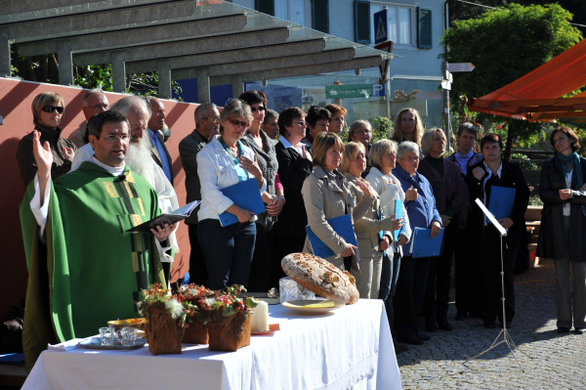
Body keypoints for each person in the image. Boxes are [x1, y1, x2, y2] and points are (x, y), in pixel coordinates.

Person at [20, 110, 172, 370]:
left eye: (124, 136)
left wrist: (163, 239)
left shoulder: (143, 186)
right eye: (111, 136)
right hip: (98, 297)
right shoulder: (72, 187)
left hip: (143, 296)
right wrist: (44, 175)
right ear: (93, 140)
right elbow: (45, 220)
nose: (120, 143)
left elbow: (158, 243)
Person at [196, 99, 272, 290]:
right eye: (234, 121)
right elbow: (209, 191)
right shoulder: (206, 154)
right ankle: (219, 320)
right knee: (219, 281)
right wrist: (237, 211)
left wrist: (260, 176)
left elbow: (256, 190)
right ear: (222, 121)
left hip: (246, 223)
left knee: (241, 282)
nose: (239, 127)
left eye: (244, 123)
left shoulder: (247, 151)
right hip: (216, 223)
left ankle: (238, 319)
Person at [466, 134, 529, 328]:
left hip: (508, 228)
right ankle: (488, 315)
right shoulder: (474, 171)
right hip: (484, 230)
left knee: (506, 273)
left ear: (500, 149)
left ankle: (506, 316)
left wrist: (513, 219)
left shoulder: (513, 170)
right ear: (481, 150)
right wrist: (477, 181)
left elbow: (523, 196)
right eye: (486, 147)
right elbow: (471, 199)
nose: (491, 151)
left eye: (494, 147)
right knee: (487, 272)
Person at [393, 141, 442, 345]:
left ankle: (414, 327)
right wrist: (405, 198)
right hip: (406, 246)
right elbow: (390, 208)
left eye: (417, 158)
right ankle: (404, 330)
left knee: (420, 288)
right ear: (399, 160)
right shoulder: (395, 180)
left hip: (425, 244)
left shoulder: (423, 179)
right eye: (410, 158)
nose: (415, 162)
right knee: (406, 290)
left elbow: (434, 205)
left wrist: (437, 220)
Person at [538, 127, 586, 334]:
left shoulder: (584, 164)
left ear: (571, 140)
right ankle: (564, 322)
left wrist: (573, 194)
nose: (558, 142)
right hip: (557, 223)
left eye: (561, 138)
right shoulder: (549, 166)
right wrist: (562, 196)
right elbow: (544, 194)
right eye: (554, 140)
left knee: (581, 275)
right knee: (561, 275)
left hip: (580, 224)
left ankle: (581, 322)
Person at [419, 129, 467, 332]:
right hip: (428, 226)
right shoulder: (421, 166)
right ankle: (428, 316)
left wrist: (448, 215)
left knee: (445, 271)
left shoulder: (452, 167)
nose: (441, 142)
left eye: (443, 139)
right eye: (437, 139)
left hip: (449, 225)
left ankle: (442, 315)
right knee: (429, 273)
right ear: (428, 142)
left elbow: (461, 194)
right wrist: (437, 216)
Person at [301, 132, 373, 270]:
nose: (339, 156)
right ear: (321, 152)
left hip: (344, 254)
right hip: (324, 256)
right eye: (334, 151)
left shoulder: (340, 180)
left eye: (340, 151)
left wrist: (367, 200)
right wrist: (340, 245)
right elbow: (316, 221)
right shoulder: (313, 181)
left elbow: (349, 220)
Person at [365, 139, 411, 352]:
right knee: (382, 294)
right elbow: (373, 210)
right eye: (389, 155)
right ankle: (382, 343)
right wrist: (392, 193)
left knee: (391, 293)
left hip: (396, 243)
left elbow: (402, 210)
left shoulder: (393, 178)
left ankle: (391, 339)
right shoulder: (372, 179)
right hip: (382, 243)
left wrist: (406, 233)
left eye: (394, 154)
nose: (394, 158)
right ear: (377, 158)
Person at [340, 142, 399, 298]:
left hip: (376, 247)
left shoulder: (365, 181)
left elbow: (379, 212)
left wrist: (387, 234)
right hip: (361, 248)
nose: (362, 161)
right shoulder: (347, 185)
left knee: (375, 297)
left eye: (363, 156)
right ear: (346, 161)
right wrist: (383, 225)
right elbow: (355, 221)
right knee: (363, 298)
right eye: (356, 158)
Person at [239, 91, 284, 291]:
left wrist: (281, 198)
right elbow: (246, 178)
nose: (258, 112)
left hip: (272, 214)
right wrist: (269, 200)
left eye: (261, 108)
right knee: (259, 269)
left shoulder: (269, 141)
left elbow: (276, 175)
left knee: (271, 271)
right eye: (253, 109)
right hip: (252, 212)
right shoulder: (242, 140)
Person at [270, 107, 313, 287]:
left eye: (305, 122)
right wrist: (305, 162)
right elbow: (291, 182)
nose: (305, 126)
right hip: (289, 220)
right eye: (300, 122)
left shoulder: (303, 148)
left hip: (304, 216)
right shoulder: (280, 150)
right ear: (287, 126)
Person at [179, 103, 221, 285]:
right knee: (200, 259)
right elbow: (205, 167)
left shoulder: (219, 142)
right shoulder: (188, 144)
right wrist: (214, 143)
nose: (219, 123)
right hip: (199, 214)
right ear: (202, 121)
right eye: (216, 119)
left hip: (218, 211)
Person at [446, 122, 484, 321]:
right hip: (456, 219)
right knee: (459, 265)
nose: (467, 141)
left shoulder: (481, 160)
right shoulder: (449, 161)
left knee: (476, 262)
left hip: (476, 218)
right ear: (458, 138)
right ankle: (461, 307)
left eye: (471, 138)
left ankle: (476, 306)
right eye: (464, 137)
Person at [17, 92, 76, 186]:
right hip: (48, 199)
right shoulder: (29, 143)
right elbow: (36, 181)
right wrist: (69, 164)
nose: (56, 113)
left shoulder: (68, 144)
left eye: (60, 109)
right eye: (49, 109)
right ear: (37, 112)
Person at [145, 97, 174, 184]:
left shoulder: (160, 136)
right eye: (158, 112)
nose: (163, 116)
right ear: (146, 113)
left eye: (163, 111)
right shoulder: (140, 139)